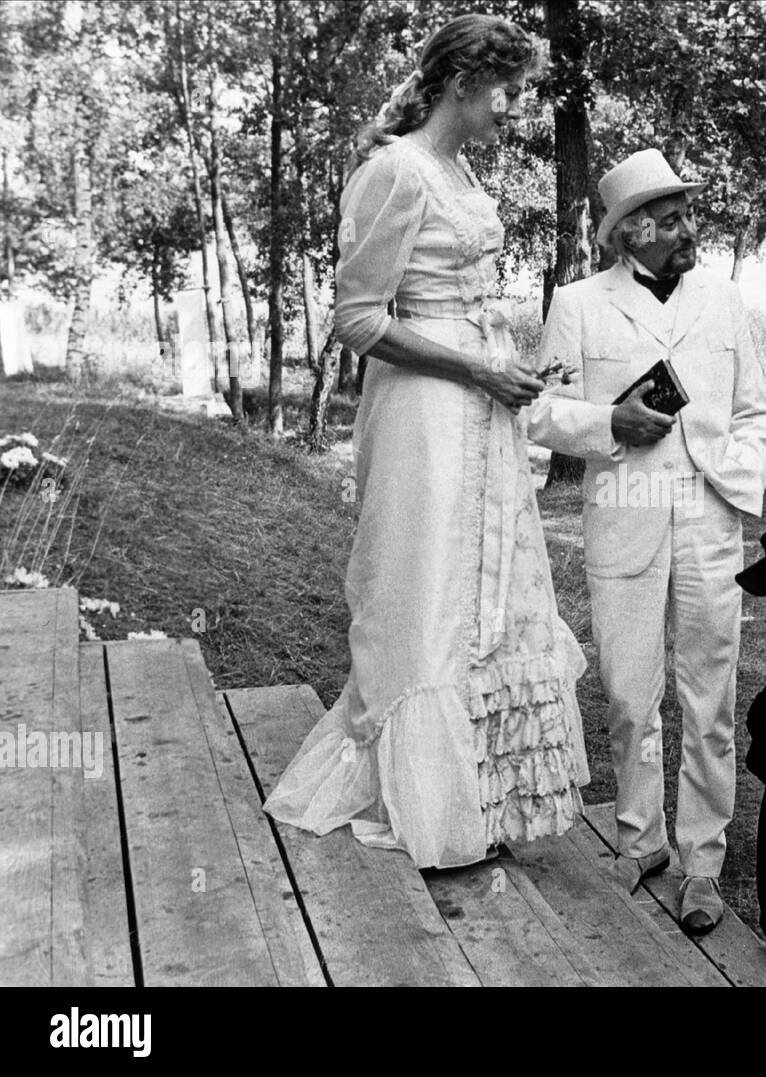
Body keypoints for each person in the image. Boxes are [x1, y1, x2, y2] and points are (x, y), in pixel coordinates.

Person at [263, 14, 589, 869]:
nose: (515, 108)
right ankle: (420, 797)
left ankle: (475, 800)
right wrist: (473, 369)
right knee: (423, 580)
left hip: (481, 404)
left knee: (483, 589)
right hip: (423, 409)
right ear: (461, 84)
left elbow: (466, 297)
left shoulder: (461, 169)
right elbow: (360, 319)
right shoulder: (395, 171)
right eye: (507, 90)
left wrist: (508, 369)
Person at [526, 149, 766, 934]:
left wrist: (725, 470)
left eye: (686, 212)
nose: (686, 227)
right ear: (630, 232)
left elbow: (757, 415)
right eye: (668, 217)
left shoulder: (725, 301)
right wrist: (609, 423)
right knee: (631, 693)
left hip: (708, 520)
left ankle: (703, 861)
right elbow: (538, 412)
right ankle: (642, 838)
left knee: (711, 700)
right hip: (623, 513)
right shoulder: (578, 304)